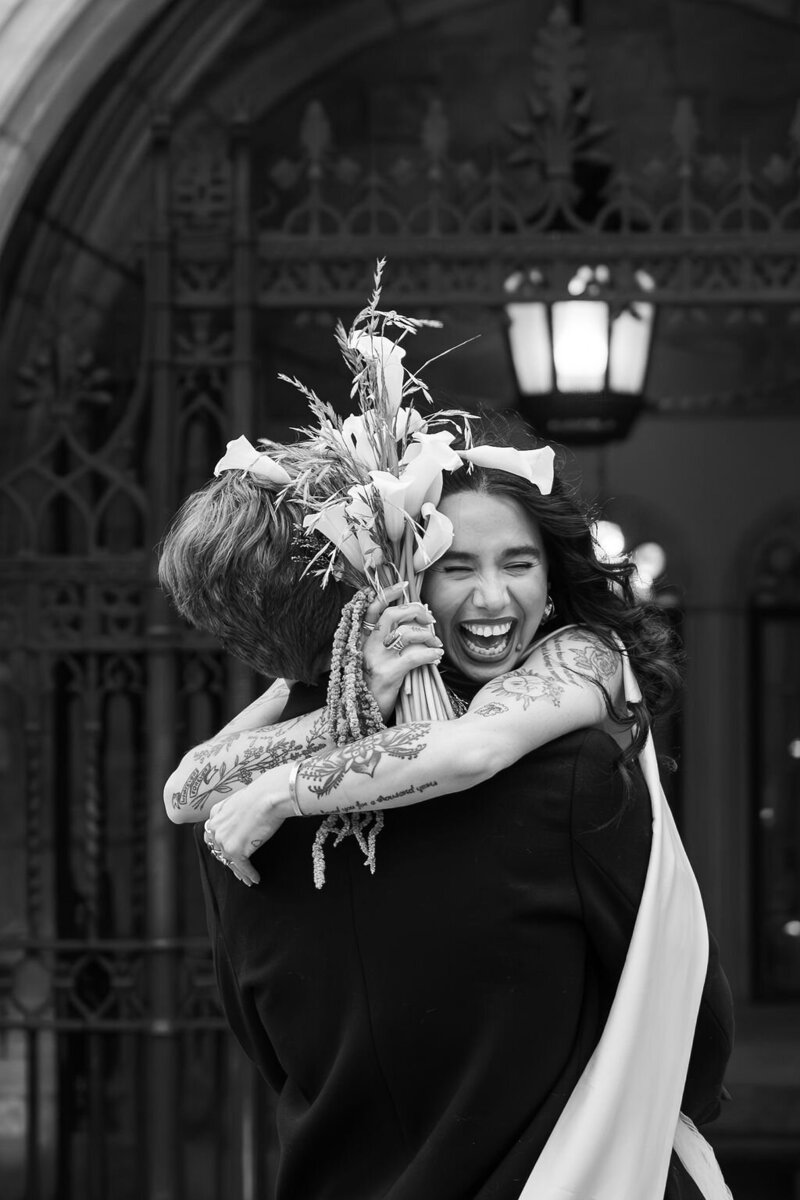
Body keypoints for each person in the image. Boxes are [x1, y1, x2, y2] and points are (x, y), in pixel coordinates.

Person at [159, 420, 734, 1200]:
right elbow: (691, 1022)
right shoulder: (573, 780)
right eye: (455, 565)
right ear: (398, 583)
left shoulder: (233, 827)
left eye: (519, 562)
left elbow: (264, 1046)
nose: (492, 596)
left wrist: (284, 783)